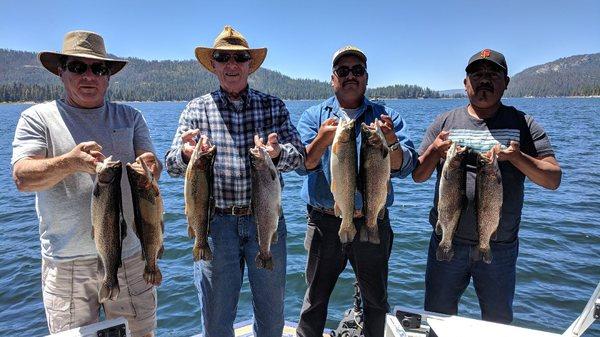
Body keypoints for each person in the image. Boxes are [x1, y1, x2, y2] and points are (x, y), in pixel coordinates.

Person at [11, 31, 161, 336]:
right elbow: (22, 178)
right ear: (61, 72)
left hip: (131, 257)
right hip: (66, 264)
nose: (89, 76)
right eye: (78, 67)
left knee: (142, 333)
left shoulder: (130, 116)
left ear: (108, 77)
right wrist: (70, 162)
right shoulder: (37, 118)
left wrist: (149, 167)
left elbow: (150, 163)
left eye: (98, 69)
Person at [164, 25, 304, 337]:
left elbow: (300, 157)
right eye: (222, 57)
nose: (231, 64)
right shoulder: (195, 109)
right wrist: (187, 155)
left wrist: (279, 153)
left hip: (265, 223)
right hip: (215, 227)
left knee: (271, 320)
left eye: (239, 58)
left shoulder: (274, 106)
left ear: (249, 64)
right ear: (212, 64)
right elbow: (171, 165)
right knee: (215, 323)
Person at [412, 48, 562, 324]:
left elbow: (553, 179)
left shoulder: (523, 124)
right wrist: (434, 150)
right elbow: (418, 176)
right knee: (436, 319)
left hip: (499, 246)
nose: (484, 80)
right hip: (447, 242)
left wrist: (517, 157)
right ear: (466, 83)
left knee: (497, 323)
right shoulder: (445, 122)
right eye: (477, 74)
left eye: (493, 74)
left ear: (506, 82)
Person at [295, 46, 418, 337]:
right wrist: (323, 140)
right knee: (314, 300)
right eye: (343, 71)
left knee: (376, 301)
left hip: (373, 218)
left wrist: (391, 142)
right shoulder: (314, 117)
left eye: (357, 70)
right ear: (333, 78)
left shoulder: (387, 117)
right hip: (324, 222)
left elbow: (406, 166)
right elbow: (302, 165)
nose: (350, 75)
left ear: (366, 77)